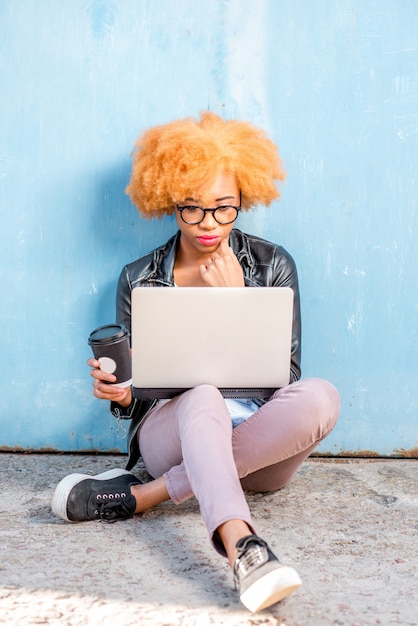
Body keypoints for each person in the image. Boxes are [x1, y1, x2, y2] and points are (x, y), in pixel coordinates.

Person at [52, 112, 340, 613]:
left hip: (260, 453)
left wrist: (239, 302)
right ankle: (244, 548)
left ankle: (146, 497)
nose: (208, 225)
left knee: (322, 396)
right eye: (192, 209)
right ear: (169, 202)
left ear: (242, 201)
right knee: (201, 394)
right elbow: (137, 392)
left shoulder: (273, 266)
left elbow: (285, 379)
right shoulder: (139, 276)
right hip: (176, 436)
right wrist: (123, 392)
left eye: (224, 208)